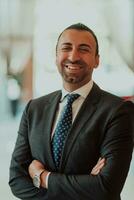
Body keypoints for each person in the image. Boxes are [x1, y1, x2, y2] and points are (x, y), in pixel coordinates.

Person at [9, 23, 134, 200]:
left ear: (97, 60)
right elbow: (16, 182)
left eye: (84, 49)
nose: (73, 56)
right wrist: (85, 186)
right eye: (66, 48)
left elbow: (106, 188)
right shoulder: (34, 109)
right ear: (56, 56)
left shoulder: (118, 111)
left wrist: (42, 177)